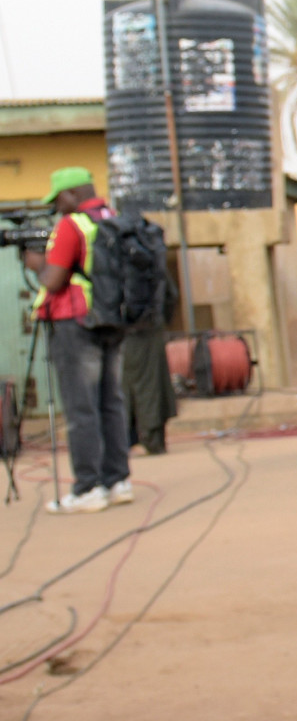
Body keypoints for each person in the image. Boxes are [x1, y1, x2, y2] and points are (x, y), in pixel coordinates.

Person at [34, 168, 133, 515]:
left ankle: (88, 486)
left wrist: (34, 262)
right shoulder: (115, 218)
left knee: (81, 407)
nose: (57, 208)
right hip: (112, 320)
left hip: (76, 324)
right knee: (111, 401)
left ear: (72, 194)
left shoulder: (72, 226)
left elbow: (54, 279)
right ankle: (118, 480)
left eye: (58, 199)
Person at [121, 226, 178, 456]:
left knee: (124, 387)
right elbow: (171, 296)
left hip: (123, 333)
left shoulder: (115, 259)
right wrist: (161, 320)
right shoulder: (154, 263)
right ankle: (154, 440)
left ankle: (125, 441)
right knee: (153, 386)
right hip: (151, 329)